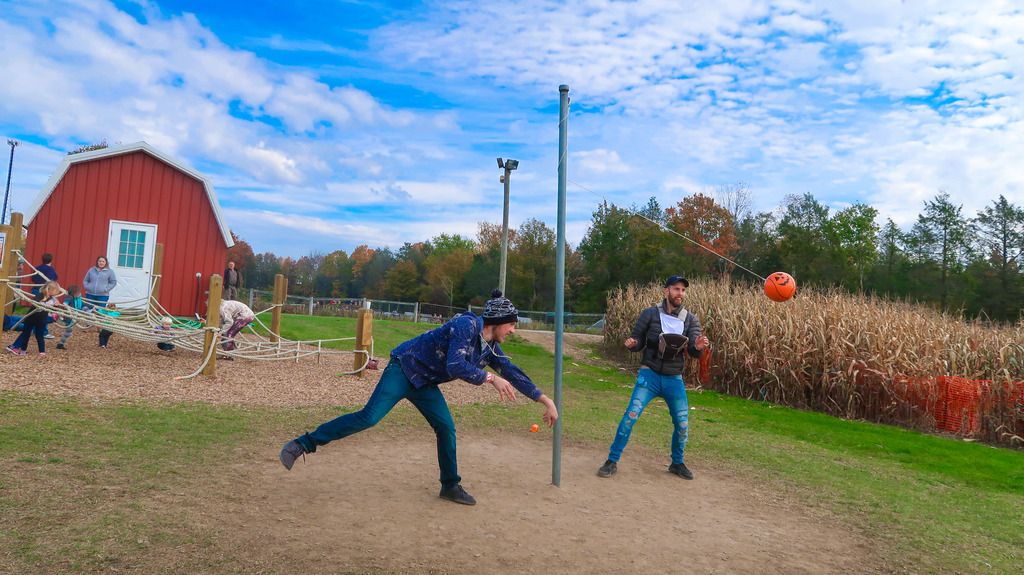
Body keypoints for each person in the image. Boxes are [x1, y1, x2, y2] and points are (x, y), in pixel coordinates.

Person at [278, 289, 559, 506]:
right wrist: (490, 378)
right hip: (404, 368)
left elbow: (513, 372)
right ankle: (302, 444)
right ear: (498, 321)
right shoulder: (467, 325)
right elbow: (455, 365)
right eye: (511, 324)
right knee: (369, 417)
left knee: (446, 427)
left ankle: (449, 485)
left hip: (424, 382)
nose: (513, 330)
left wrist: (545, 400)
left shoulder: (490, 346)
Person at [597, 276, 709, 481]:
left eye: (683, 290)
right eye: (676, 289)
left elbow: (694, 351)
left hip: (673, 379)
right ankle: (612, 461)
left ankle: (677, 463)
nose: (680, 294)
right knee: (630, 416)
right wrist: (633, 343)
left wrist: (699, 347)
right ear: (666, 291)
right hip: (649, 375)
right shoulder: (650, 314)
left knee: (682, 424)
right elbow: (638, 339)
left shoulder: (690, 319)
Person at [7, 280, 61, 356]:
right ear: (50, 290)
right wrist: (43, 304)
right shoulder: (40, 295)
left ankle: (41, 351)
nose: (57, 293)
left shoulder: (53, 299)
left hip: (41, 320)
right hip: (31, 318)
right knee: (26, 334)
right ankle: (20, 349)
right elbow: (35, 304)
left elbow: (53, 308)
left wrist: (56, 305)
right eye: (56, 291)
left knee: (39, 335)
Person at [31, 253, 59, 339]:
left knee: (36, 310)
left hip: (36, 290)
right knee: (44, 312)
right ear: (51, 260)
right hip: (45, 292)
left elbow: (33, 278)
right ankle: (43, 332)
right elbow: (54, 278)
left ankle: (34, 330)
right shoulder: (51, 270)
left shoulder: (37, 268)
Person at [56, 284, 86, 350]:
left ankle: (60, 344)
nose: (80, 293)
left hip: (74, 315)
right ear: (75, 293)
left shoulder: (77, 298)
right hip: (69, 317)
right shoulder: (70, 297)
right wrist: (65, 305)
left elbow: (82, 305)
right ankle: (60, 344)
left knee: (68, 332)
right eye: (79, 292)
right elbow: (65, 303)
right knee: (68, 332)